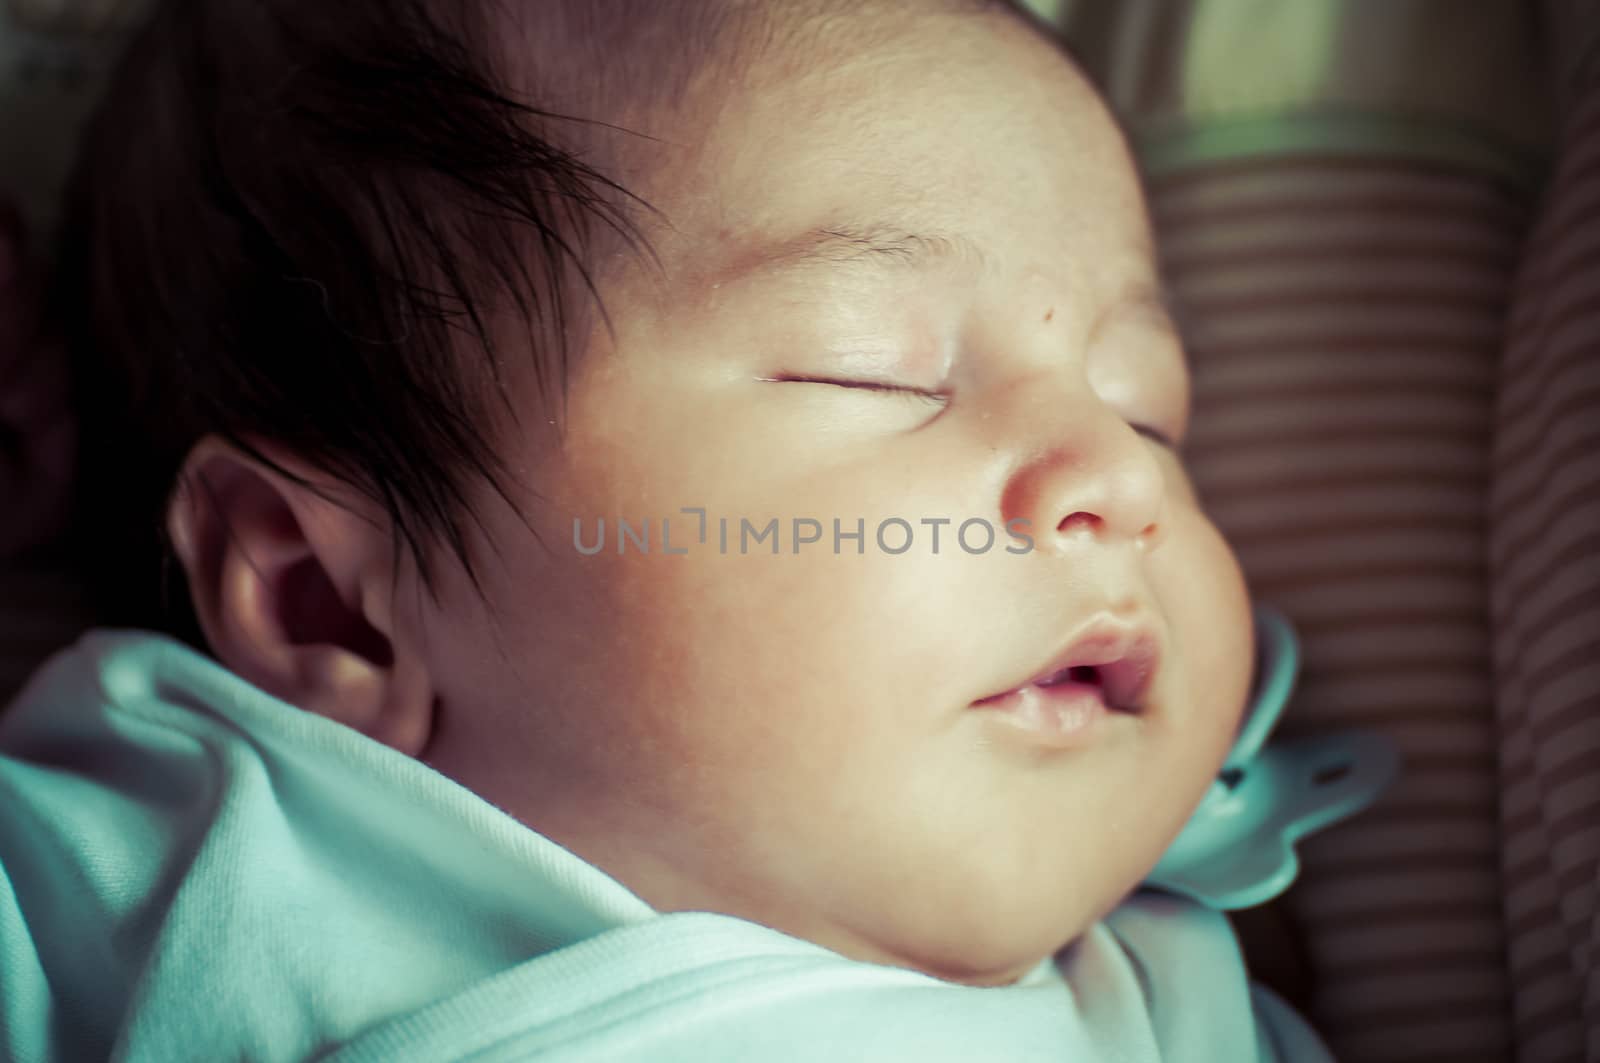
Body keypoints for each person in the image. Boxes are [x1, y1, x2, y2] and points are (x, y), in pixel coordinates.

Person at [0, 0, 1337, 1057]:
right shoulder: (160, 872)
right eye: (871, 373)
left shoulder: (1181, 1005)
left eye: (1148, 410)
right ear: (329, 601)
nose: (1120, 474)